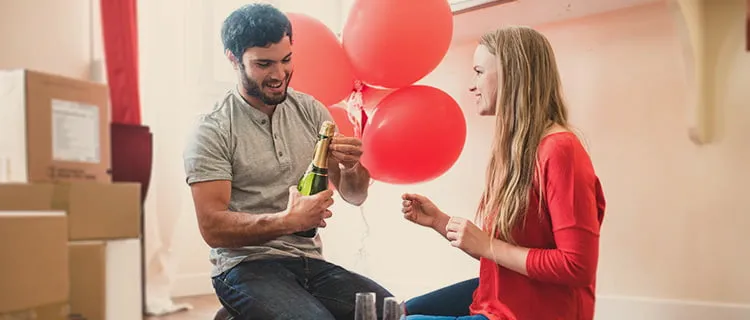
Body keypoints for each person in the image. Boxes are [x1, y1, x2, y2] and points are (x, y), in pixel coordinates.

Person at [182, 3, 392, 319]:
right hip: (245, 267)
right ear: (233, 59)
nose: (279, 75)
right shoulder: (212, 127)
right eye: (264, 64)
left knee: (389, 312)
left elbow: (355, 194)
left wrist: (352, 167)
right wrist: (287, 221)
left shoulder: (311, 112)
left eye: (286, 60)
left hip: (310, 262)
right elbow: (213, 227)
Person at [400, 26, 607, 320]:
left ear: (512, 75)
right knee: (396, 311)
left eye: (479, 71)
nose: (472, 85)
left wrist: (487, 244)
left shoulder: (561, 150)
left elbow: (576, 265)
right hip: (504, 298)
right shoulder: (518, 150)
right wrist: (439, 222)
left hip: (538, 311)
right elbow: (503, 253)